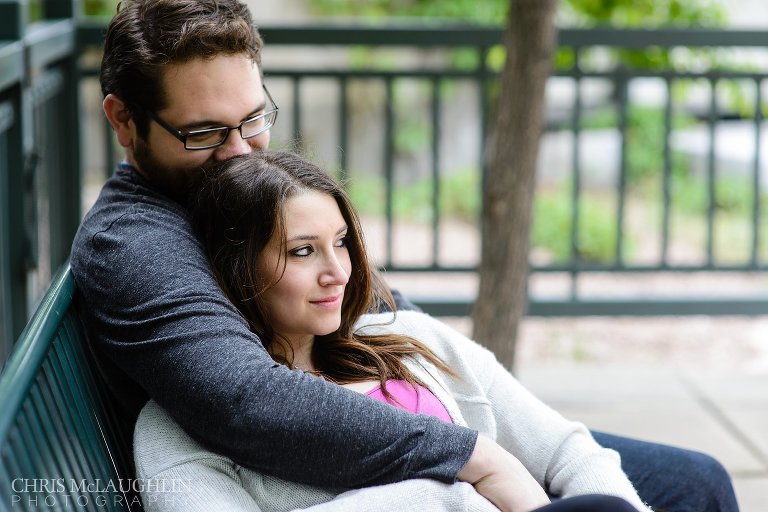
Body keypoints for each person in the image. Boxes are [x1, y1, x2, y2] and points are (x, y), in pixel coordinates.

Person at [69, 1, 739, 511]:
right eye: (206, 133)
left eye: (254, 119)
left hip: (391, 416)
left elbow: (380, 314)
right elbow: (246, 400)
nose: (242, 151)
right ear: (124, 123)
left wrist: (484, 412)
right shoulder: (135, 243)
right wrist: (471, 456)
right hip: (312, 476)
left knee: (693, 478)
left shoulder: (230, 186)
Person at [133, 150, 650, 512]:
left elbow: (569, 451)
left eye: (341, 243)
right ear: (237, 269)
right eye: (303, 251)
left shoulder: (415, 340)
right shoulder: (178, 423)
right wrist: (448, 493)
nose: (338, 270)